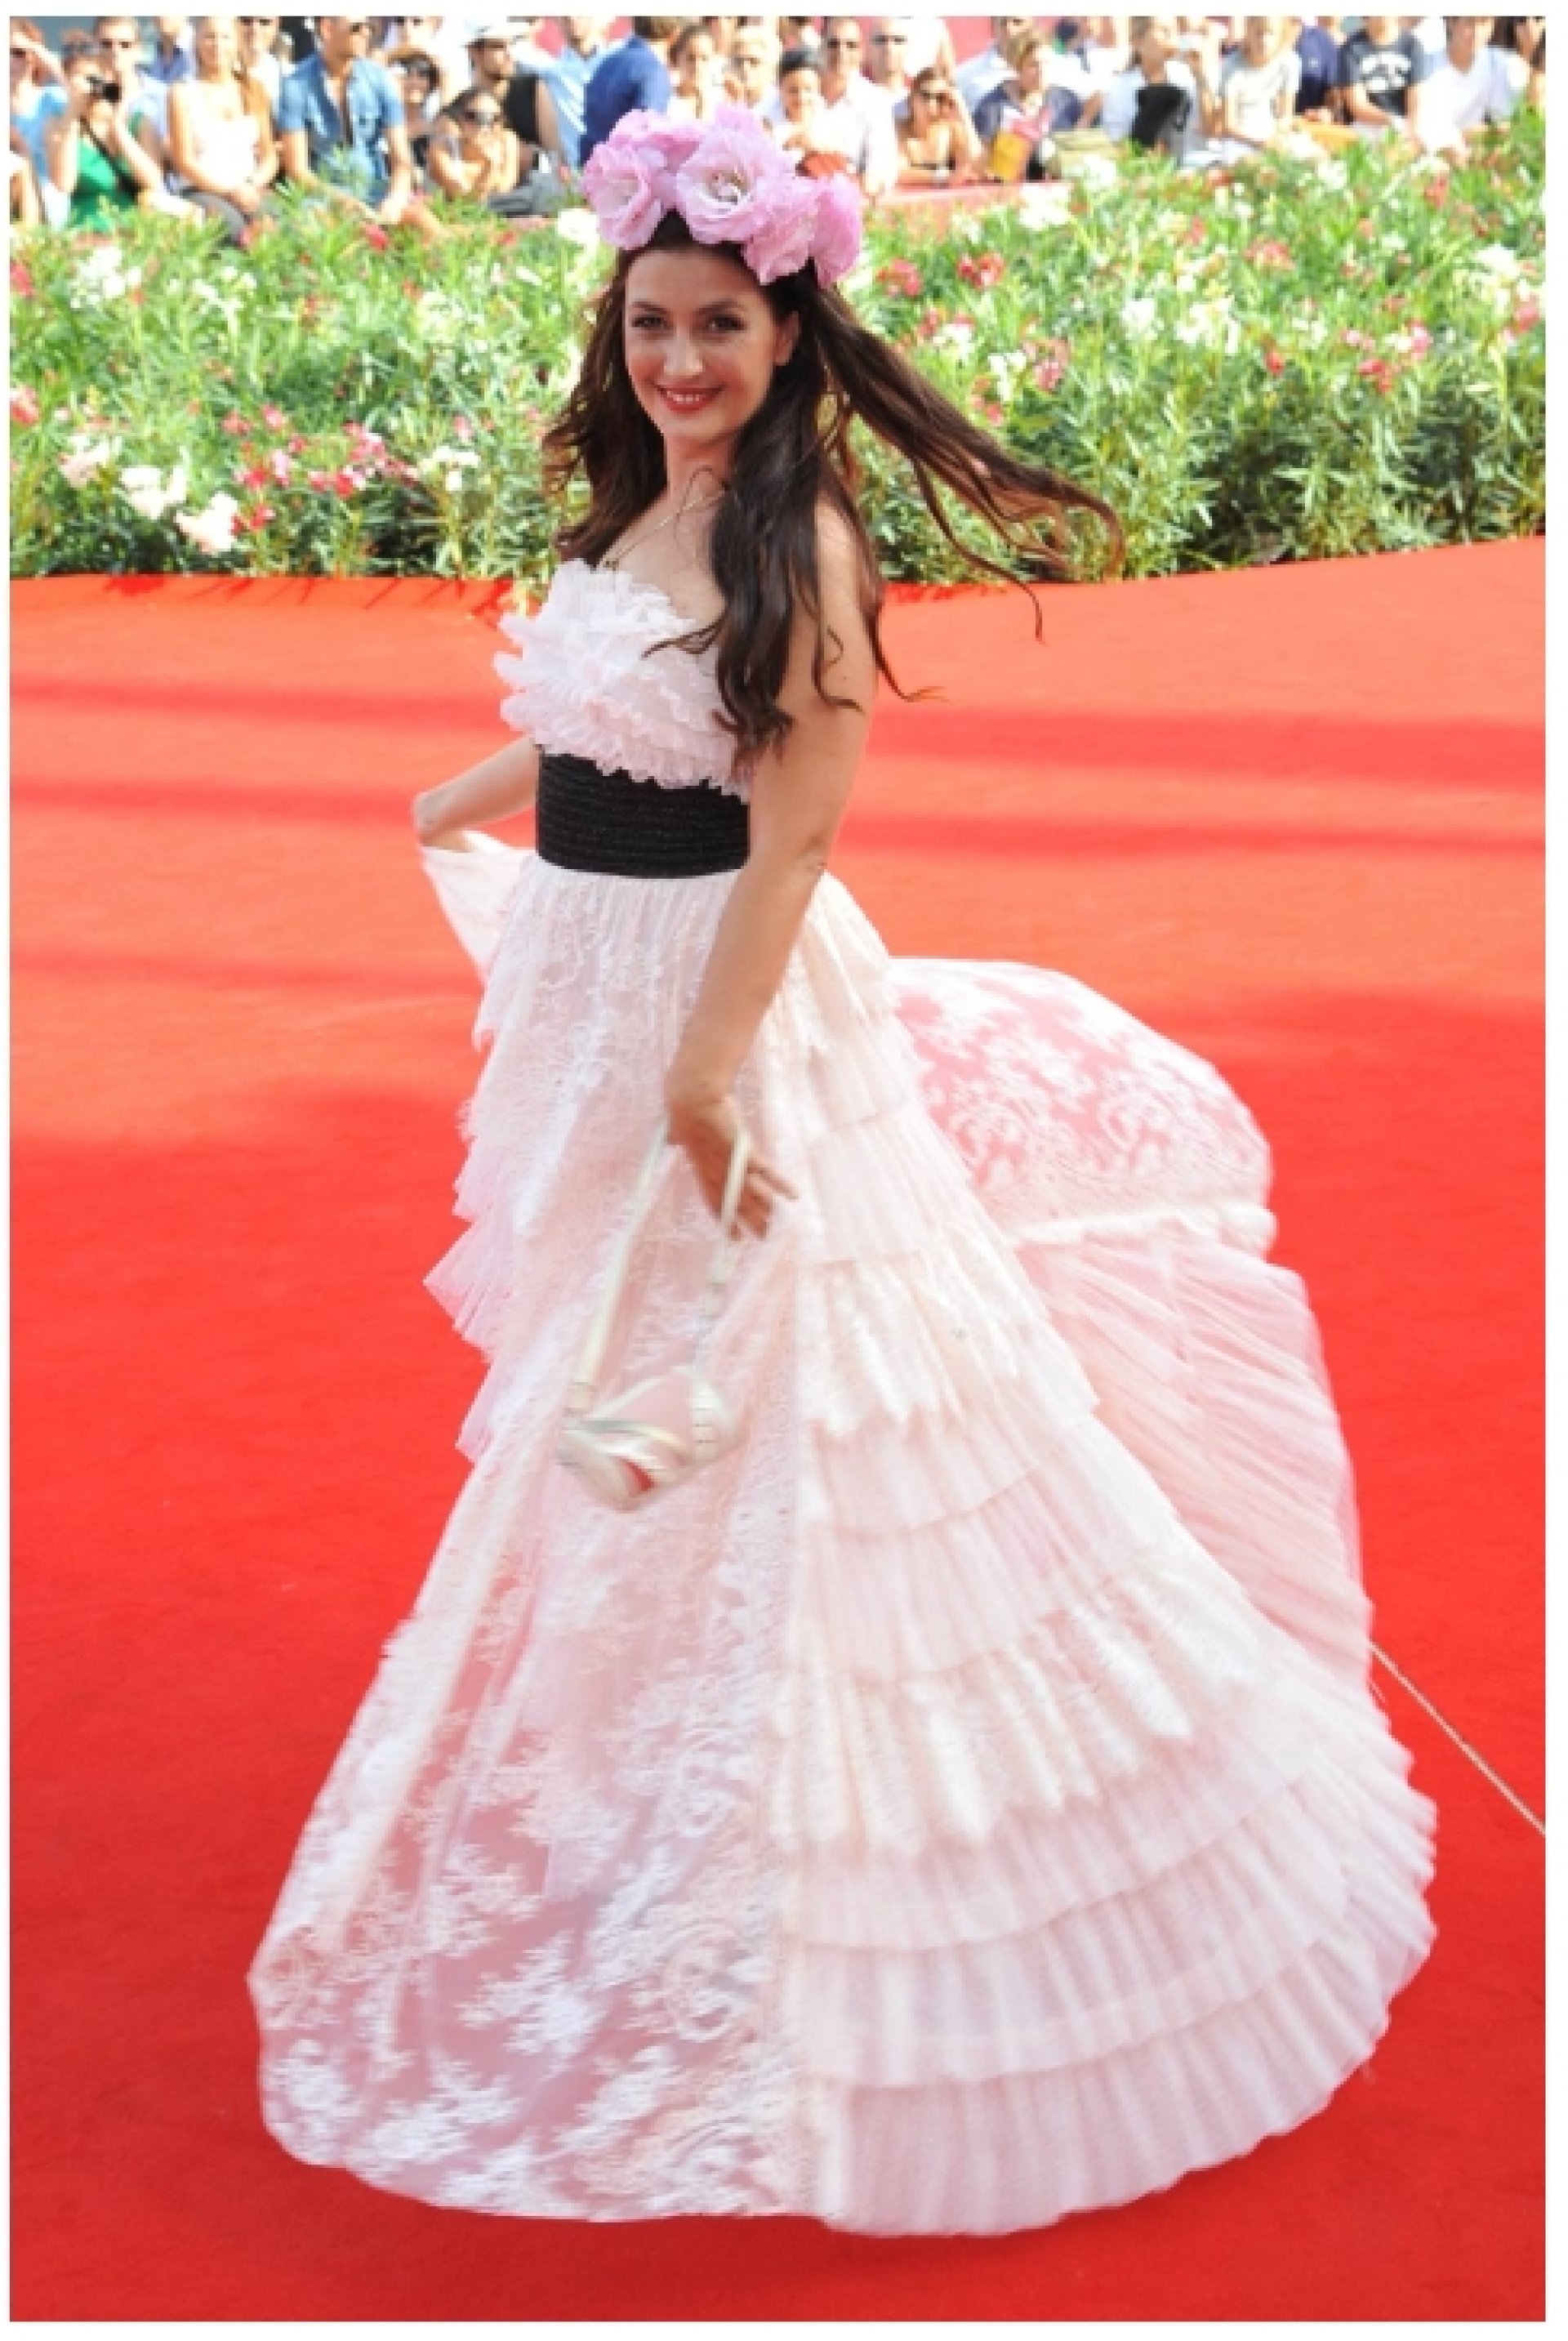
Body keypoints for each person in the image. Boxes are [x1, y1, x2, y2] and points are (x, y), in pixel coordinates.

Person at [248, 101, 1437, 2234]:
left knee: (809, 1396)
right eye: (651, 322)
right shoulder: (647, 503)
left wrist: (711, 1076)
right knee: (640, 1385)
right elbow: (619, 720)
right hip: (594, 994)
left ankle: (872, 1831)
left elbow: (789, 835)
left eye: (718, 323)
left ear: (789, 331)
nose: (679, 358)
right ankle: (679, 1770)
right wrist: (471, 789)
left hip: (722, 1002)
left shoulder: (800, 543)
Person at [276, 14, 421, 224]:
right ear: (327, 28)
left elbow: (402, 160)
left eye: (369, 27)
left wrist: (395, 199)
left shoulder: (381, 79)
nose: (366, 33)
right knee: (318, 222)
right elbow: (298, 171)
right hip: (323, 199)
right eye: (357, 27)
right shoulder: (295, 85)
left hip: (377, 192)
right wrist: (346, 203)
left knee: (422, 221)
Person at [42, 38, 192, 225]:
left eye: (94, 78)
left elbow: (153, 181)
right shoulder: (57, 125)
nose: (88, 87)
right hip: (87, 230)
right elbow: (64, 184)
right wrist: (72, 116)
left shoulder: (139, 122)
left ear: (110, 81)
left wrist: (118, 127)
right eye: (77, 78)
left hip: (136, 231)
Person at [167, 15, 279, 242]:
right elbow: (184, 162)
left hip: (249, 187)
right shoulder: (181, 92)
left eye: (225, 37)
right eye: (210, 37)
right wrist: (230, 191)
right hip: (202, 189)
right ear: (197, 41)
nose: (217, 44)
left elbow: (270, 157)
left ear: (237, 41)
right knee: (231, 227)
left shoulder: (254, 89)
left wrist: (251, 185)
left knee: (279, 221)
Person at [463, 20, 564, 169]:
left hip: (536, 181)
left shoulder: (532, 88)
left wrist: (526, 157)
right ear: (474, 52)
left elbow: (556, 158)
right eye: (498, 47)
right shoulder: (463, 102)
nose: (509, 54)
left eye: (511, 44)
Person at [1411, 15, 1519, 152]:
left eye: (1484, 23)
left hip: (1477, 152)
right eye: (1469, 23)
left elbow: (1505, 123)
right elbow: (1422, 128)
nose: (1476, 32)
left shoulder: (1498, 63)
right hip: (1435, 153)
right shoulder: (1427, 65)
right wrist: (1461, 137)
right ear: (1451, 23)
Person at [581, 16, 679, 163]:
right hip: (625, 168)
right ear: (674, 35)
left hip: (592, 164)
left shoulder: (606, 63)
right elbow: (648, 134)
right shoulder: (653, 71)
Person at [1100, 15, 1200, 149]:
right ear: (1137, 41)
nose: (1171, 37)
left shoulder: (1186, 77)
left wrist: (1202, 77)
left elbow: (1206, 129)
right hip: (1141, 160)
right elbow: (1117, 140)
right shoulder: (1118, 88)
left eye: (1175, 31)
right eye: (1164, 31)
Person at [425, 82, 531, 208]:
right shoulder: (442, 149)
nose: (484, 127)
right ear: (460, 119)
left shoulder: (507, 140)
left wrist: (492, 165)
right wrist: (491, 167)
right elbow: (464, 199)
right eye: (474, 117)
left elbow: (504, 191)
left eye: (493, 119)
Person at [1335, 14, 1429, 139]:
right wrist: (1391, 121)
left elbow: (1416, 96)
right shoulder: (1350, 49)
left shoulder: (1413, 45)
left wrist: (1411, 128)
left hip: (1407, 121)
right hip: (1366, 124)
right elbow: (1357, 104)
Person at [1218, 15, 1302, 154]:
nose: (1264, 40)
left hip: (1274, 134)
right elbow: (1229, 125)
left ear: (1280, 35)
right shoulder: (1231, 65)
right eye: (1258, 33)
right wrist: (1259, 143)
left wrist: (1277, 137)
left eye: (1270, 33)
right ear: (1248, 32)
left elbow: (1286, 115)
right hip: (1240, 139)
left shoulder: (1290, 62)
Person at [894, 62, 985, 181]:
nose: (931, 105)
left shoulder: (953, 132)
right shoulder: (898, 131)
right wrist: (942, 177)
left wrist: (963, 113)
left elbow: (977, 167)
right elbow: (897, 172)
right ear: (911, 99)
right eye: (925, 96)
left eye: (940, 98)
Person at [544, 16, 613, 166]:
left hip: (613, 168)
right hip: (570, 172)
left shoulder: (619, 64)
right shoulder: (547, 72)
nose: (571, 18)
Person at [956, 15, 1038, 113]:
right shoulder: (965, 75)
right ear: (993, 27)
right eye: (1003, 22)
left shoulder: (1052, 71)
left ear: (1032, 26)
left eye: (1017, 22)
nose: (1009, 29)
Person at [669, 20, 724, 121]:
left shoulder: (721, 100)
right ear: (677, 59)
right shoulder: (666, 99)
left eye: (704, 59)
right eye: (691, 58)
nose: (697, 66)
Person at [1292, 14, 1343, 118]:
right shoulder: (1261, 38)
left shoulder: (1322, 40)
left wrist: (1328, 113)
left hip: (1308, 123)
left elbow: (1333, 94)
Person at [237, 14, 288, 115]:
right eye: (246, 20)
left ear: (276, 26)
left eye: (264, 22)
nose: (255, 29)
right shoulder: (210, 70)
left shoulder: (288, 76)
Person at [724, 21, 780, 114]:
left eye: (754, 61)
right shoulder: (722, 104)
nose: (745, 68)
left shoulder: (781, 107)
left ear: (771, 68)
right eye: (738, 62)